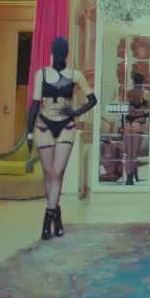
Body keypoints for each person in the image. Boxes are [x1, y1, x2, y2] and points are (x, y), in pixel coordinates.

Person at [25, 36, 97, 240]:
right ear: (52, 53)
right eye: (55, 52)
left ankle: (46, 221)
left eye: (60, 52)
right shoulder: (41, 74)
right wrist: (29, 132)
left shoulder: (75, 75)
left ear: (64, 54)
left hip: (66, 125)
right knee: (49, 174)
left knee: (57, 172)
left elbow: (92, 99)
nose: (57, 55)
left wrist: (75, 112)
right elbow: (34, 105)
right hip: (44, 124)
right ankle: (57, 218)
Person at [122, 71, 149, 185]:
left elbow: (124, 108)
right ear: (143, 82)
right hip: (138, 122)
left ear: (133, 82)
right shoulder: (146, 94)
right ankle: (131, 177)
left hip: (128, 122)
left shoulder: (128, 92)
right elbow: (148, 111)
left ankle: (130, 177)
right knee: (134, 152)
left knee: (128, 152)